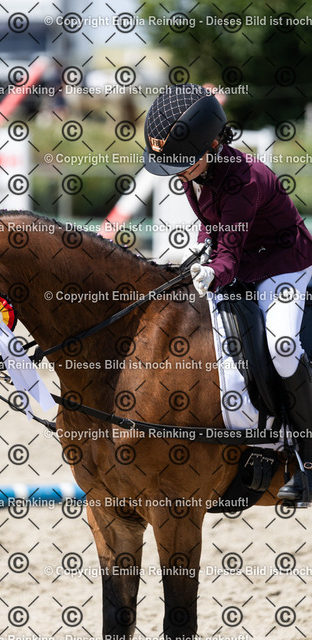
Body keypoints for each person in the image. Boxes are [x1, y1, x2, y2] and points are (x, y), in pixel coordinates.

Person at [143, 83, 312, 502]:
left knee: (283, 346)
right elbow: (212, 228)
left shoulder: (244, 180)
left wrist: (211, 272)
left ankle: (309, 460)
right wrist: (196, 258)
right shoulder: (194, 171)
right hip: (242, 262)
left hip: (283, 267)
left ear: (213, 145)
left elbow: (229, 257)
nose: (177, 173)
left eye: (182, 163)